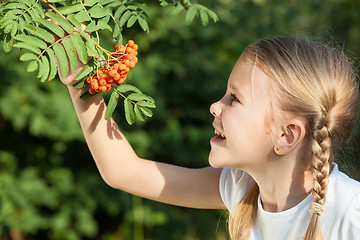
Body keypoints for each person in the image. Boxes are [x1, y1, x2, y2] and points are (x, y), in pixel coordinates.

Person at [59, 37, 360, 240]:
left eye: (235, 99)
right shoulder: (240, 187)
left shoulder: (350, 212)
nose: (215, 106)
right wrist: (82, 84)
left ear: (287, 135)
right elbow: (124, 171)